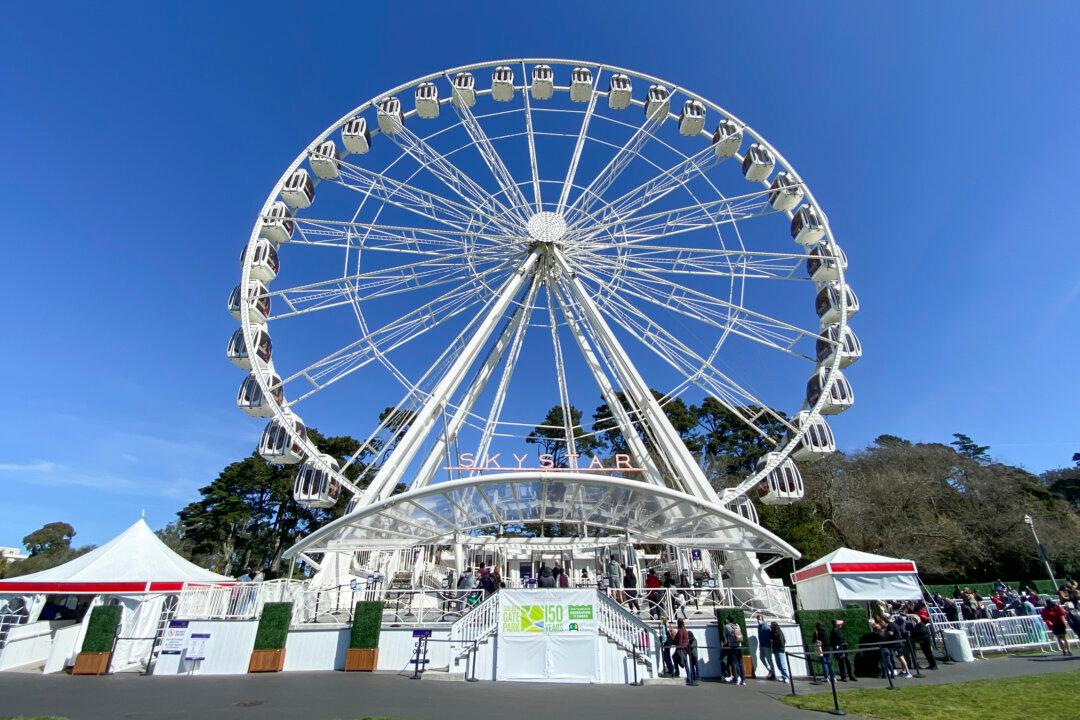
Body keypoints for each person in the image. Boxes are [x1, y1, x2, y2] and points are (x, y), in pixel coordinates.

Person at [723, 615, 745, 685]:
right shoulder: (737, 625)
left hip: (732, 646)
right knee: (741, 663)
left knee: (734, 663)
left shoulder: (727, 626)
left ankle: (736, 679)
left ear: (728, 620)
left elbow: (725, 637)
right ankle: (743, 680)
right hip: (739, 646)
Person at [755, 614, 775, 680]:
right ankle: (770, 670)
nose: (758, 621)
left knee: (769, 660)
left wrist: (770, 645)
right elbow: (760, 637)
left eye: (759, 619)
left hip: (767, 645)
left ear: (762, 619)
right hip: (762, 645)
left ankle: (773, 673)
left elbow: (770, 635)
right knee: (761, 658)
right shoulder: (759, 626)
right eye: (757, 619)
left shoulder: (765, 626)